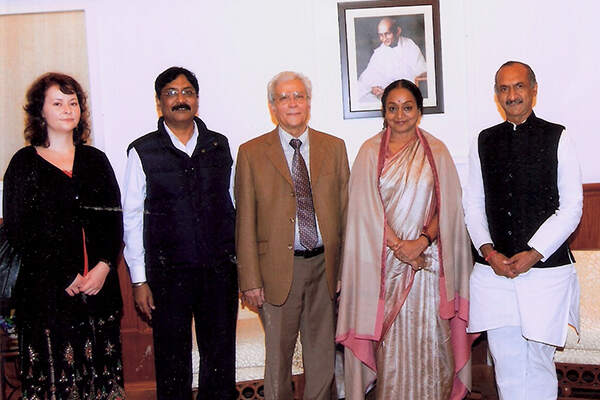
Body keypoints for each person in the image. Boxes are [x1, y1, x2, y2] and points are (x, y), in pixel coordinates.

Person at [336, 79, 472, 399]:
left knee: (432, 345)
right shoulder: (369, 152)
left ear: (419, 111)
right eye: (392, 108)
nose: (400, 115)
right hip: (383, 268)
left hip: (428, 266)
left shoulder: (437, 151)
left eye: (407, 107)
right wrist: (400, 247)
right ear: (384, 112)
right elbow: (364, 211)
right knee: (392, 351)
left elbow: (448, 208)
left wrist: (420, 242)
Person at [463, 61, 583, 400]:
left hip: (545, 271)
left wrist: (534, 253)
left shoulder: (557, 136)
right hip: (495, 272)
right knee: (506, 361)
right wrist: (488, 251)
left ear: (533, 90)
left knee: (539, 361)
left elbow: (572, 206)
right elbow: (473, 204)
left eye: (518, 86)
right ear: (496, 95)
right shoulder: (484, 140)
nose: (512, 95)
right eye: (504, 88)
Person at [2, 72, 125, 398]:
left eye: (73, 103)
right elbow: (18, 230)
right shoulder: (23, 164)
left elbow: (114, 221)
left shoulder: (96, 160)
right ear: (40, 112)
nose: (68, 109)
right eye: (58, 103)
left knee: (101, 384)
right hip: (47, 296)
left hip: (98, 292)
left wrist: (104, 266)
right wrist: (63, 274)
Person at [122, 66, 238, 399]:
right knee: (172, 364)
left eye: (187, 92)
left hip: (218, 273)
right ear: (159, 102)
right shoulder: (143, 151)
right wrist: (139, 280)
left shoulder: (218, 145)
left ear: (197, 100)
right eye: (171, 93)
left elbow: (233, 205)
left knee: (220, 361)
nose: (180, 99)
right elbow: (132, 218)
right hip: (167, 277)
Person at [235, 71, 350, 400]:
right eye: (284, 97)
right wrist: (250, 280)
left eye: (299, 96)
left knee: (322, 357)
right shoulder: (251, 152)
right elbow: (244, 220)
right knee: (278, 361)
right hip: (276, 271)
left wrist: (344, 271)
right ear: (272, 106)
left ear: (309, 102)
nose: (293, 103)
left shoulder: (334, 147)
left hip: (325, 267)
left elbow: (346, 213)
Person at [358, 17, 427, 102]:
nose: (384, 39)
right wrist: (373, 89)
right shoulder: (379, 52)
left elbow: (421, 74)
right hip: (384, 96)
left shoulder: (410, 45)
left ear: (397, 31)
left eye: (387, 34)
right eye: (381, 35)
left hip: (406, 94)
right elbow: (367, 78)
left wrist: (391, 90)